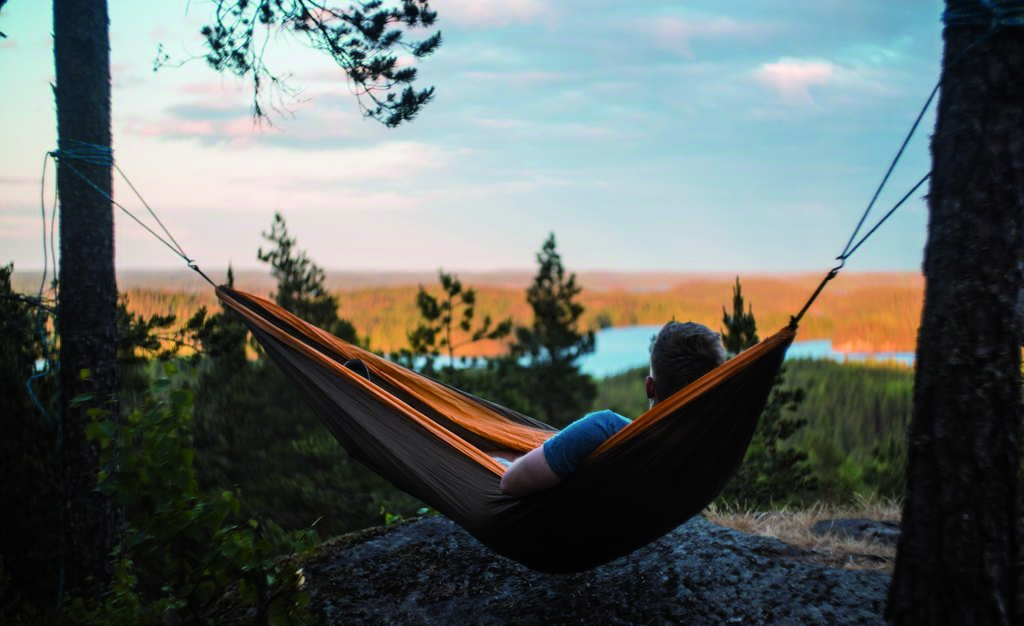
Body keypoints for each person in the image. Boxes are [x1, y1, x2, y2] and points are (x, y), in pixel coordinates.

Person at [499, 321, 727, 497]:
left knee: (496, 458)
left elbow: (510, 483)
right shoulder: (713, 448)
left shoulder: (604, 429)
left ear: (649, 387)